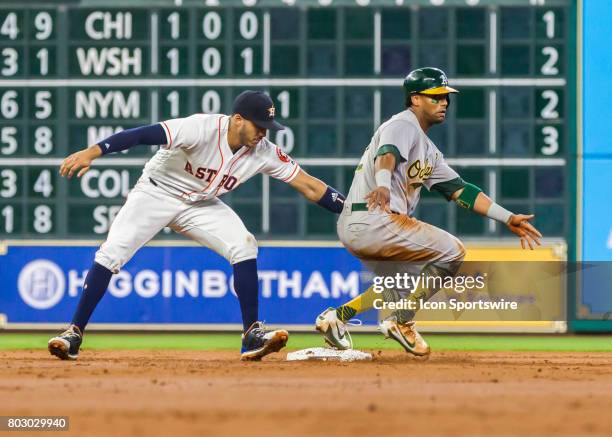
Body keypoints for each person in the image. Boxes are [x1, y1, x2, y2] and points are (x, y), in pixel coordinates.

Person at [48, 90, 345, 361]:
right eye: (258, 125)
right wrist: (92, 152)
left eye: (267, 127)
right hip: (157, 192)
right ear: (237, 120)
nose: (263, 133)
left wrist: (351, 210)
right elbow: (140, 135)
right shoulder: (200, 128)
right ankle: (74, 332)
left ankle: (251, 334)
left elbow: (309, 186)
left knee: (244, 244)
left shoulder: (263, 151)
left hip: (200, 204)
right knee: (112, 253)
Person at [315, 68, 542, 356]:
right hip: (377, 218)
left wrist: (507, 217)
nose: (444, 102)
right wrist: (383, 185)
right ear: (415, 99)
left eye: (446, 97)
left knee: (403, 282)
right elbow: (387, 156)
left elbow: (462, 191)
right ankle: (402, 321)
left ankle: (337, 318)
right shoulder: (402, 125)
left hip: (361, 223)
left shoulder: (428, 150)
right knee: (453, 252)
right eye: (435, 97)